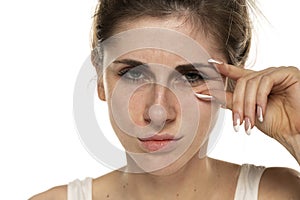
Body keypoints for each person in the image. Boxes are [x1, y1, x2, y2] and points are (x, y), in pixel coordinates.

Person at [30, 0, 300, 199]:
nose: (158, 112)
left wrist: (297, 135)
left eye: (191, 76)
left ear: (231, 80)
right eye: (133, 74)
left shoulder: (280, 194)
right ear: (101, 79)